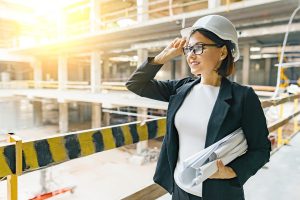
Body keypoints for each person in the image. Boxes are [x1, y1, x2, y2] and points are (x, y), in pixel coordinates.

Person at [125, 15, 271, 200]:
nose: (190, 55)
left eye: (198, 48)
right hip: (179, 191)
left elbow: (261, 150)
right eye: (188, 49)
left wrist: (232, 171)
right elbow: (136, 84)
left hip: (219, 194)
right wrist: (164, 56)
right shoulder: (181, 88)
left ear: (223, 52)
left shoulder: (243, 97)